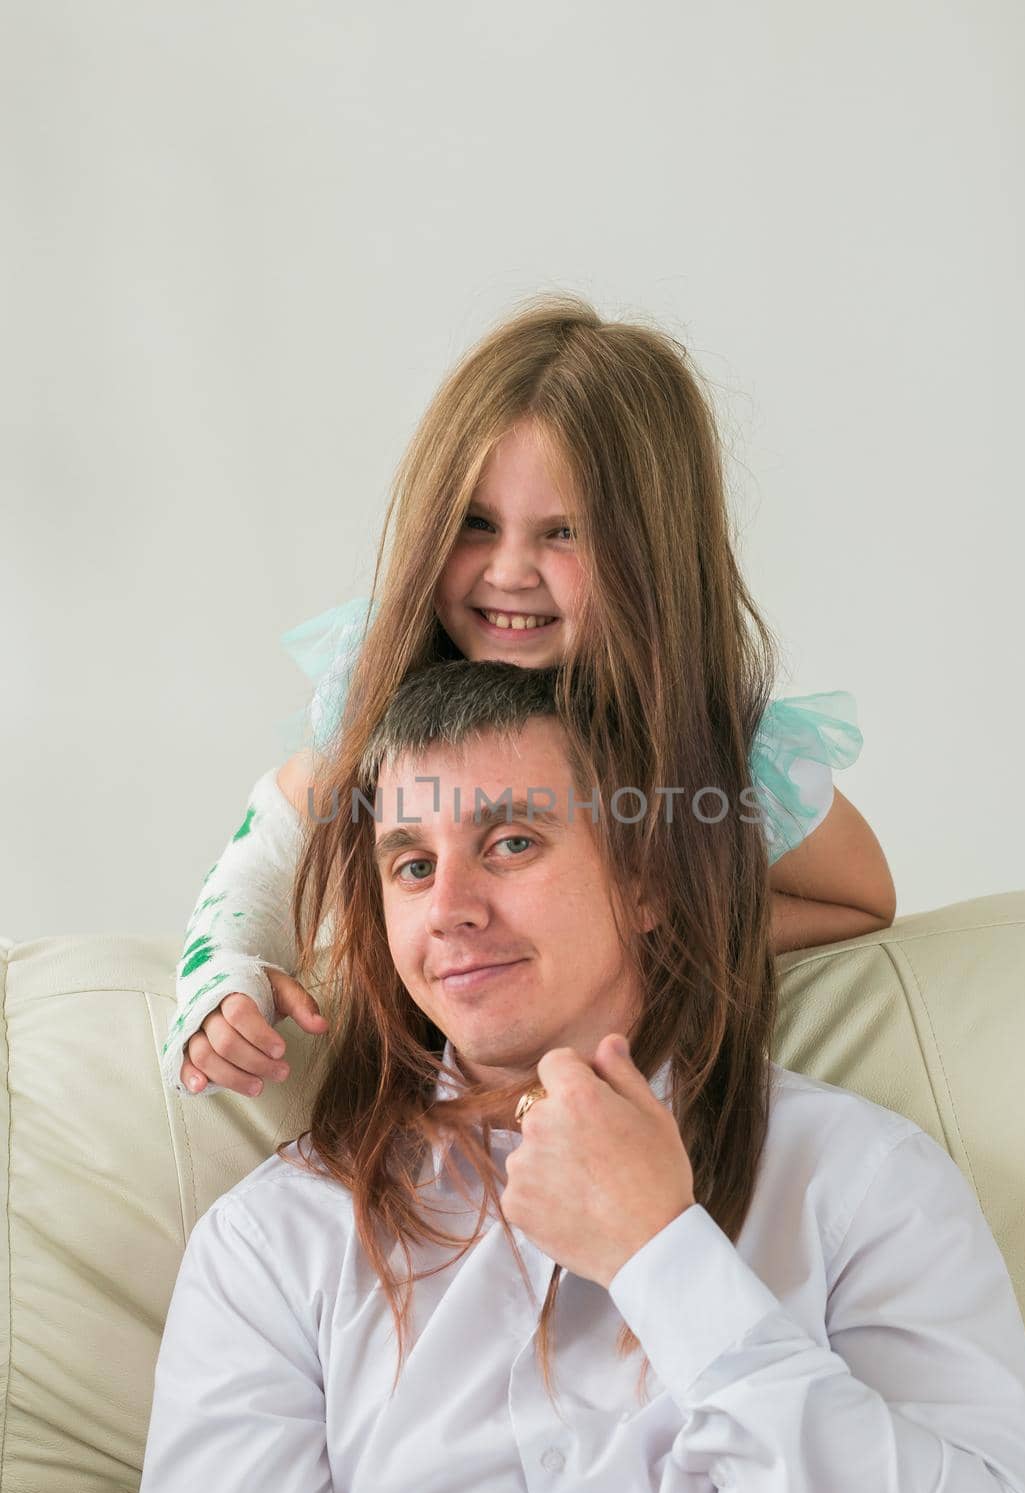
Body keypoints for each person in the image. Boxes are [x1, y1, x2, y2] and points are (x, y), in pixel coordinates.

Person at [137, 660, 1025, 1493]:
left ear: (647, 881)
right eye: (412, 865)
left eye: (509, 843)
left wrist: (665, 1260)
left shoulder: (859, 1177)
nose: (450, 907)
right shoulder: (275, 1241)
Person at [159, 292, 895, 1102]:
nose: (508, 572)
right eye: (475, 524)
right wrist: (225, 971)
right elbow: (276, 838)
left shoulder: (724, 747)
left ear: (651, 554)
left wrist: (630, 931)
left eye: (562, 532)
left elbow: (857, 899)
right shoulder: (383, 691)